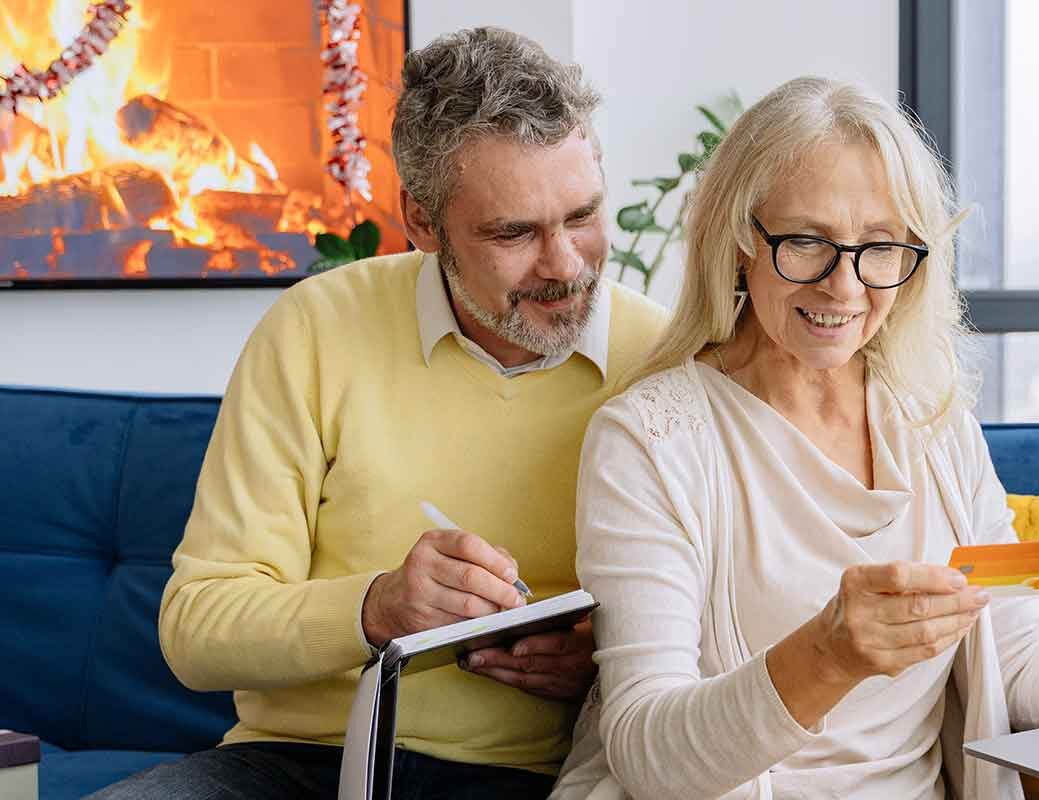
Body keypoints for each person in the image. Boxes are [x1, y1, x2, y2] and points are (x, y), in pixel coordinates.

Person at [551, 77, 1039, 800]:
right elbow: (647, 756)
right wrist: (827, 656)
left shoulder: (934, 421)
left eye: (880, 247)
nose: (845, 288)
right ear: (738, 240)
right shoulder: (651, 441)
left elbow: (1013, 649)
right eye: (806, 243)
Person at [92, 28, 667, 800]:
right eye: (514, 233)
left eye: (582, 215)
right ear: (423, 225)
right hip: (291, 766)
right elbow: (196, 629)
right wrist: (375, 607)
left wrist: (599, 659)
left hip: (534, 777)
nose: (565, 263)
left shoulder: (667, 358)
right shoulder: (316, 326)